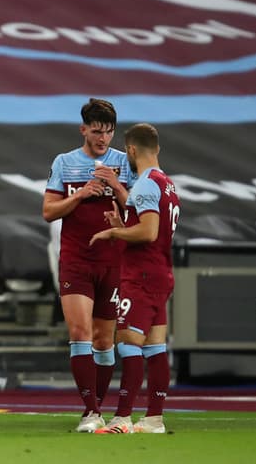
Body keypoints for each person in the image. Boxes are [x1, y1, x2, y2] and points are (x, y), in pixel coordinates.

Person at [42, 98, 134, 432]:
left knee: (104, 340)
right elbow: (49, 211)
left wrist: (117, 186)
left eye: (109, 132)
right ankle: (92, 412)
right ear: (84, 129)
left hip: (113, 260)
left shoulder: (124, 163)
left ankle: (96, 407)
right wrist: (81, 194)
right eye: (97, 131)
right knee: (79, 333)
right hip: (77, 258)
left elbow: (138, 214)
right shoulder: (65, 163)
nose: (103, 138)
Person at [90, 123, 178, 435]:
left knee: (127, 344)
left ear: (130, 150)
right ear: (157, 148)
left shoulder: (144, 185)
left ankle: (122, 418)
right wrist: (123, 222)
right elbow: (149, 227)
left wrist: (114, 231)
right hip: (161, 274)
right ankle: (154, 418)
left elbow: (149, 231)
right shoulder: (166, 183)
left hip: (140, 275)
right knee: (155, 347)